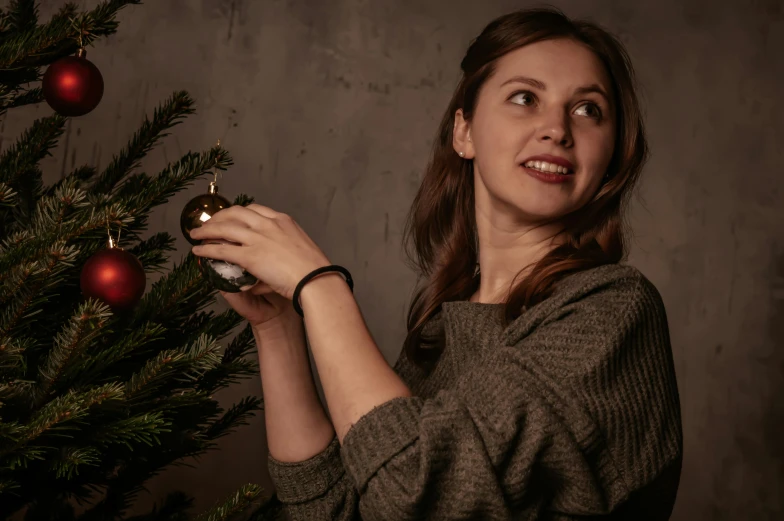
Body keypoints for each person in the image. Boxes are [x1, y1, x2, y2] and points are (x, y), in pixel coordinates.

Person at [189, 6, 683, 520]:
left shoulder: (613, 311)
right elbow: (333, 509)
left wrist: (321, 287)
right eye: (524, 98)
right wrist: (280, 327)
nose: (557, 128)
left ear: (612, 153)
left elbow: (418, 496)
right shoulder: (445, 330)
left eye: (587, 110)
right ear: (463, 132)